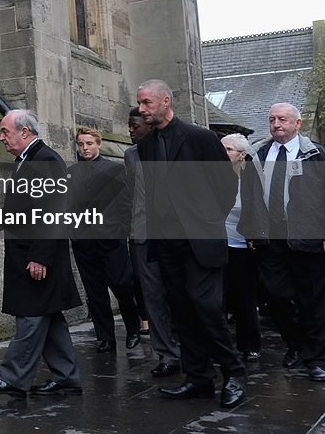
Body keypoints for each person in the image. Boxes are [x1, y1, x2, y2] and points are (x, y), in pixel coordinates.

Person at [135, 79, 246, 407]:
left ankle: (234, 373)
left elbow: (226, 186)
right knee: (181, 313)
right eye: (140, 104)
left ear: (165, 101)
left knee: (207, 309)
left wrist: (207, 222)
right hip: (167, 244)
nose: (141, 110)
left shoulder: (200, 138)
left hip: (200, 241)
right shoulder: (146, 145)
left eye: (146, 103)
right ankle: (198, 378)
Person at [0, 109, 82, 399]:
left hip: (36, 256)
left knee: (31, 316)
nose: (1, 138)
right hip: (31, 253)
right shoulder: (29, 161)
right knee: (50, 317)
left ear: (25, 132)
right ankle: (67, 378)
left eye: (5, 132)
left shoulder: (45, 160)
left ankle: (12, 378)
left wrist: (40, 256)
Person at [238, 103, 325, 382]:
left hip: (307, 236)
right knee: (276, 295)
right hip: (269, 238)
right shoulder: (260, 154)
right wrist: (251, 232)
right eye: (272, 119)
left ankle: (315, 357)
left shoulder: (316, 155)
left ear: (297, 124)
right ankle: (296, 345)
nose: (276, 124)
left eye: (283, 119)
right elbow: (250, 196)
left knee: (311, 299)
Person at [67, 127, 142, 353]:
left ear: (98, 144)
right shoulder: (71, 173)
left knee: (122, 286)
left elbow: (125, 204)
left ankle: (133, 329)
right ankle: (105, 336)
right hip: (84, 243)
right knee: (95, 292)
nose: (85, 148)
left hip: (111, 240)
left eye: (89, 143)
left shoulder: (115, 169)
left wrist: (121, 231)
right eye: (81, 144)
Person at [125, 107, 180, 377]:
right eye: (129, 126)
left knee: (180, 294)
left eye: (136, 125)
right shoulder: (130, 155)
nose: (131, 130)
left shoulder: (171, 147)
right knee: (153, 296)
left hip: (175, 234)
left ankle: (190, 348)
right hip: (142, 235)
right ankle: (167, 354)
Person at [220, 133, 261, 363]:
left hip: (244, 247)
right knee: (219, 299)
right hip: (219, 246)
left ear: (242, 155)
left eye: (228, 150)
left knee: (245, 299)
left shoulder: (252, 179)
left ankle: (250, 346)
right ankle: (222, 347)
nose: (223, 154)